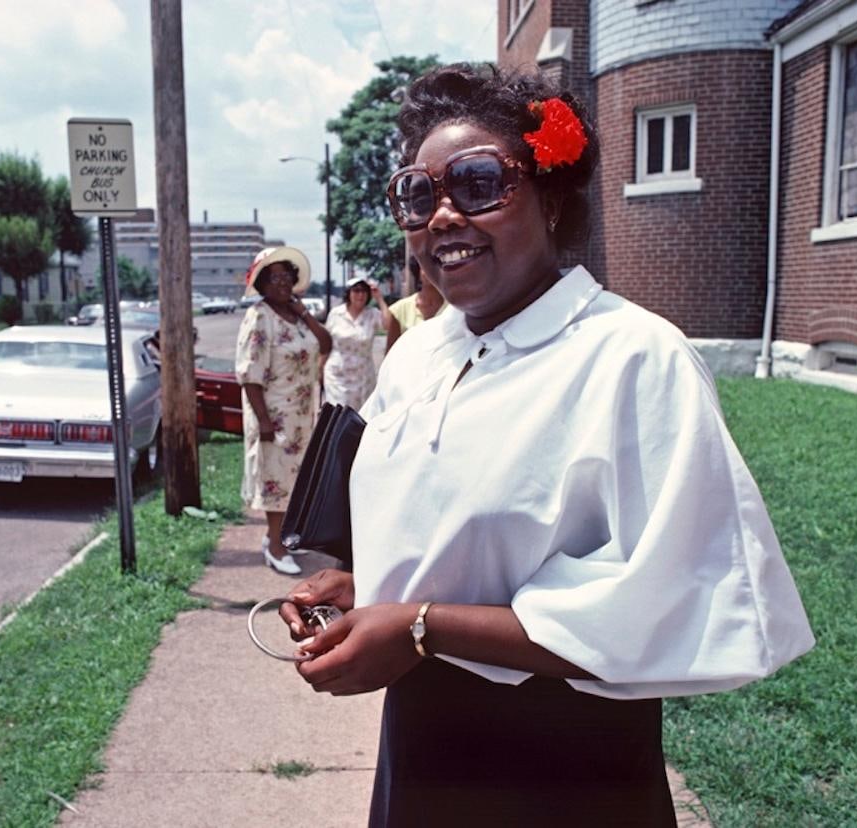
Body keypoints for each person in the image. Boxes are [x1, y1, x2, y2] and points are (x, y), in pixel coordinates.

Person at [280, 64, 815, 826]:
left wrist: (420, 626)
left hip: (565, 769)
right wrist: (368, 590)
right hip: (423, 750)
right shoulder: (418, 357)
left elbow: (660, 609)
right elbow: (448, 535)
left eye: (476, 183)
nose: (440, 217)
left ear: (554, 198)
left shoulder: (632, 357)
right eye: (417, 194)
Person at [235, 246, 332, 576]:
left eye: (287, 277)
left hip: (301, 416)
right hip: (273, 416)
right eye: (274, 278)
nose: (282, 283)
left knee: (296, 479)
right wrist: (263, 420)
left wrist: (303, 313)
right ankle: (275, 546)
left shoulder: (295, 316)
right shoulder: (260, 317)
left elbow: (326, 344)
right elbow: (249, 374)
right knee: (276, 480)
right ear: (262, 284)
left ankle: (279, 538)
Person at [321, 276, 389, 410]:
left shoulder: (372, 314)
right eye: (356, 291)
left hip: (363, 377)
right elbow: (327, 342)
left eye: (364, 291)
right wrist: (319, 368)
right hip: (337, 376)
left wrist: (380, 299)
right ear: (349, 293)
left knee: (360, 417)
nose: (360, 295)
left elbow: (389, 325)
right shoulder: (336, 314)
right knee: (337, 414)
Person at [384, 255, 445, 352]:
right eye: (425, 267)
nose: (431, 271)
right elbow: (390, 353)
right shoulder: (400, 310)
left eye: (435, 266)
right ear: (418, 271)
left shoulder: (455, 307)